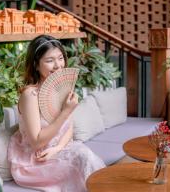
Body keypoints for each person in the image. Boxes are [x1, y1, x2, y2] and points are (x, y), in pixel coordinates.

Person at [7, 35, 105, 192]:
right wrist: (66, 111)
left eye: (60, 58)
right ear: (36, 65)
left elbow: (69, 128)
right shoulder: (30, 95)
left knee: (85, 156)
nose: (58, 65)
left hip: (59, 150)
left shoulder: (60, 88)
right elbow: (37, 142)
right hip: (35, 160)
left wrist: (58, 148)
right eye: (49, 60)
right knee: (83, 158)